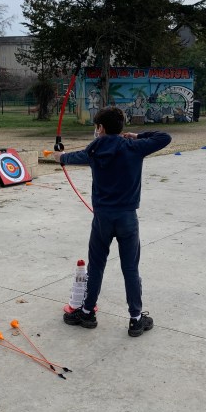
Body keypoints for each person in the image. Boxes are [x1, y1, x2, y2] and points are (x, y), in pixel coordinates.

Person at [55, 106, 171, 336]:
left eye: (96, 127)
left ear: (101, 128)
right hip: (127, 218)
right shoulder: (134, 146)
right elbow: (164, 137)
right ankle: (136, 319)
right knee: (130, 268)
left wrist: (60, 156)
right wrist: (138, 136)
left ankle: (87, 312)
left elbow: (69, 157)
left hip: (102, 219)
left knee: (96, 266)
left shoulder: (94, 149)